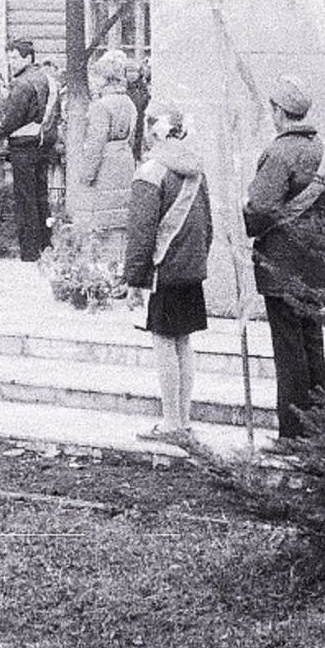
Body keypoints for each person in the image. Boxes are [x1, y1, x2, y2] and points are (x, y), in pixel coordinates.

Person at [244, 76, 325, 440]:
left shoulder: (279, 153)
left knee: (288, 350)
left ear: (278, 111)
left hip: (281, 266)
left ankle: (292, 434)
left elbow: (260, 207)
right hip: (317, 265)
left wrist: (246, 220)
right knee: (312, 342)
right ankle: (317, 426)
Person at [123, 101, 213, 448]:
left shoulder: (151, 172)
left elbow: (141, 232)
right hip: (190, 269)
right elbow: (208, 226)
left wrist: (134, 279)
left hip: (163, 270)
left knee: (163, 343)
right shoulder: (196, 171)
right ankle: (184, 420)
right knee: (184, 342)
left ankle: (172, 422)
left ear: (152, 132)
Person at [0, 39, 54, 261]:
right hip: (43, 143)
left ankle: (29, 252)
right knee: (41, 197)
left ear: (28, 58)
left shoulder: (22, 84)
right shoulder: (46, 78)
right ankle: (46, 246)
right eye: (10, 58)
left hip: (23, 146)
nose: (11, 62)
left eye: (15, 58)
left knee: (25, 200)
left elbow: (10, 120)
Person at [72, 50, 140, 259]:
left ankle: (101, 266)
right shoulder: (128, 102)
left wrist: (86, 174)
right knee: (120, 220)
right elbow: (133, 136)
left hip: (105, 166)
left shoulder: (101, 106)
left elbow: (95, 144)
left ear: (105, 78)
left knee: (101, 222)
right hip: (125, 161)